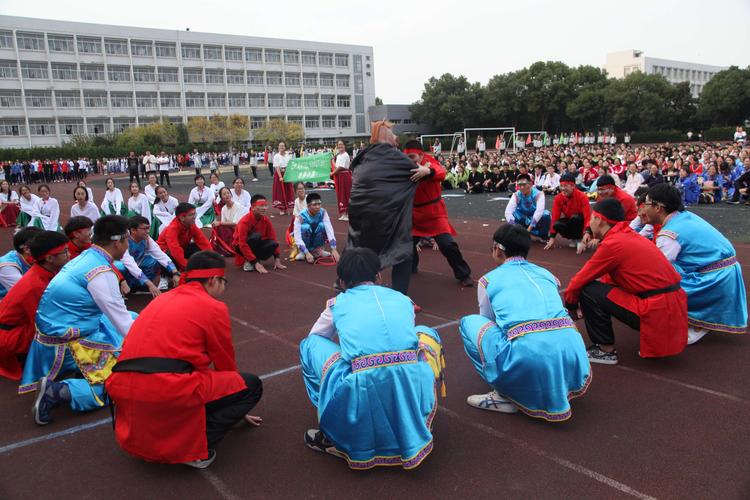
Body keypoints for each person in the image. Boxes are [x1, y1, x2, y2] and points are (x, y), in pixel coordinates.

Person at [107, 251, 263, 468]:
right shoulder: (213, 307)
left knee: (190, 379)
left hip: (121, 385)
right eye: (224, 281)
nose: (224, 287)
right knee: (251, 385)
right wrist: (238, 404)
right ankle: (195, 447)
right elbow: (225, 363)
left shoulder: (161, 300)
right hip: (166, 387)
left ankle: (162, 431)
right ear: (212, 280)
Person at [299, 248, 444, 469]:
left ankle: (333, 427)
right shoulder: (403, 299)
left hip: (362, 384)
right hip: (411, 379)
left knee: (310, 345)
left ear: (342, 281)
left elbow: (317, 336)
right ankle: (415, 419)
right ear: (378, 276)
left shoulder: (337, 304)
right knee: (425, 332)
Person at [460, 224, 590, 420]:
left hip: (530, 357)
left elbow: (487, 320)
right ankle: (557, 383)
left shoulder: (488, 280)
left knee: (470, 323)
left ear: (498, 249)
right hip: (574, 354)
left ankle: (503, 393)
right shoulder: (547, 274)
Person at [20, 216, 136, 425]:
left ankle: (75, 374)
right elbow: (123, 323)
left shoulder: (89, 257)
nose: (129, 244)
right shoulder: (100, 272)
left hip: (58, 333)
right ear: (118, 242)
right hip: (68, 343)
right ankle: (57, 392)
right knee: (120, 380)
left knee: (133, 320)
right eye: (127, 239)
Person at [564, 198, 688, 364]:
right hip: (673, 306)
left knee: (589, 290)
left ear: (599, 220)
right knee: (601, 286)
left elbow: (578, 282)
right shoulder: (627, 235)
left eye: (592, 217)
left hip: (657, 309)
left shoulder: (613, 244)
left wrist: (571, 306)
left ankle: (605, 350)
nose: (589, 222)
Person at [643, 184, 747, 343]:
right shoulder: (685, 216)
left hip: (715, 279)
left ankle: (697, 320)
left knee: (656, 281)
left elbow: (658, 268)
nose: (643, 208)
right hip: (727, 272)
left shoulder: (668, 234)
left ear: (658, 207)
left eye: (647, 204)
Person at [347, 120, 418, 295]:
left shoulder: (363, 157)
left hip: (359, 212)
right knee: (402, 251)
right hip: (384, 215)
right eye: (393, 134)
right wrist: (428, 169)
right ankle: (399, 295)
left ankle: (353, 286)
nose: (396, 138)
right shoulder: (393, 156)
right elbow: (415, 171)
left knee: (361, 250)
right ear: (386, 136)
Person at [402, 141, 473, 287]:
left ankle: (463, 274)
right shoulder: (404, 165)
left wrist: (428, 171)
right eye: (406, 157)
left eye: (412, 157)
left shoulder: (430, 162)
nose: (409, 160)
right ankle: (411, 267)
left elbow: (441, 172)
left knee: (447, 244)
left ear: (421, 155)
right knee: (406, 245)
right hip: (414, 214)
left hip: (434, 213)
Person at [0, 231, 69, 380]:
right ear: (50, 258)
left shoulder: (47, 270)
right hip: (12, 336)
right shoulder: (34, 285)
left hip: (21, 326)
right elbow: (42, 325)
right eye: (64, 252)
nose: (68, 255)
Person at [117, 215, 179, 295]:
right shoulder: (124, 240)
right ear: (133, 230)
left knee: (155, 261)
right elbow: (130, 264)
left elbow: (160, 255)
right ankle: (120, 291)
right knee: (121, 267)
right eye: (144, 229)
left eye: (148, 228)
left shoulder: (146, 238)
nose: (148, 231)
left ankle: (146, 289)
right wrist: (149, 283)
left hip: (136, 263)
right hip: (121, 266)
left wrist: (175, 272)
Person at [233, 194, 287, 273]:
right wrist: (255, 263)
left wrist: (277, 259)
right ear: (253, 207)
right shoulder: (244, 222)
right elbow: (242, 244)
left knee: (273, 244)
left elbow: (272, 237)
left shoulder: (266, 220)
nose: (264, 208)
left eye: (265, 206)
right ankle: (250, 260)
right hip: (240, 246)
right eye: (261, 206)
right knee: (256, 236)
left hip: (256, 244)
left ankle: (255, 259)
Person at [544, 172, 591, 254]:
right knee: (557, 225)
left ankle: (581, 239)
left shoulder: (582, 197)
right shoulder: (558, 198)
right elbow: (555, 217)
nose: (563, 188)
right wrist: (552, 237)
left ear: (573, 186)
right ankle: (574, 239)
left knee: (576, 218)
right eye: (561, 186)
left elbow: (587, 217)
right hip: (570, 220)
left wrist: (586, 234)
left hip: (581, 221)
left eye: (565, 186)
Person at [157, 203, 212, 271]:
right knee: (170, 256)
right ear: (182, 217)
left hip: (181, 248)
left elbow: (202, 240)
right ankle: (165, 276)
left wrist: (213, 257)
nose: (194, 217)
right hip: (166, 252)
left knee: (198, 247)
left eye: (194, 214)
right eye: (191, 215)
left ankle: (194, 267)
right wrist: (187, 266)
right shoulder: (172, 229)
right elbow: (176, 251)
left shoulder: (191, 225)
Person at [292, 193, 339, 263]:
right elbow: (297, 236)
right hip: (305, 239)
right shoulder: (300, 216)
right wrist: (306, 253)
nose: (318, 207)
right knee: (305, 227)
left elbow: (329, 229)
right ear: (308, 206)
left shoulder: (323, 212)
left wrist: (333, 249)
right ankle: (303, 252)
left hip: (316, 237)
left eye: (319, 204)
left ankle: (317, 250)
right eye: (314, 204)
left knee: (322, 226)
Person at [504, 173, 551, 242]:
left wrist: (529, 229)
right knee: (513, 214)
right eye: (520, 185)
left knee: (546, 215)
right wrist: (514, 226)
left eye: (524, 184)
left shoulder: (539, 194)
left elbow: (539, 212)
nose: (522, 187)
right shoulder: (516, 195)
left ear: (530, 184)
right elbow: (508, 212)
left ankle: (543, 235)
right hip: (523, 217)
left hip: (535, 219)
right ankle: (519, 233)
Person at [0, 227, 41, 300]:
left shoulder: (25, 257)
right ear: (27, 249)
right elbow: (24, 295)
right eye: (42, 246)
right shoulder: (8, 267)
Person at [212, 187, 247, 256]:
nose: (227, 195)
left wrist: (220, 223)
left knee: (220, 225)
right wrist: (219, 223)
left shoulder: (238, 206)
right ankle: (224, 248)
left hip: (240, 229)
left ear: (231, 195)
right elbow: (223, 223)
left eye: (228, 193)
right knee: (219, 228)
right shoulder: (223, 209)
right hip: (231, 229)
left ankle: (230, 248)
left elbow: (236, 223)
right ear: (221, 198)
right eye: (224, 194)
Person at [331, 140, 352, 221]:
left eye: (341, 144)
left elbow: (340, 168)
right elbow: (336, 167)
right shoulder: (339, 156)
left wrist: (332, 174)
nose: (340, 146)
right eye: (338, 145)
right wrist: (332, 160)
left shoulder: (345, 155)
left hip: (345, 176)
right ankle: (343, 213)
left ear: (344, 145)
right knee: (340, 194)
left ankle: (347, 213)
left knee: (346, 194)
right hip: (339, 176)